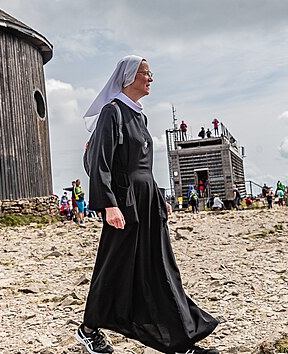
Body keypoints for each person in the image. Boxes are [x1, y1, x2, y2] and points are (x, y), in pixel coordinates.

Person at [79, 55, 218, 354]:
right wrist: (108, 205)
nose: (151, 78)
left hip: (147, 200)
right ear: (129, 77)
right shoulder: (112, 112)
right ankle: (89, 329)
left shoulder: (140, 116)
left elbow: (144, 166)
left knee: (160, 267)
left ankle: (182, 341)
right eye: (146, 73)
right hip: (125, 203)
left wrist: (159, 197)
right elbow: (101, 162)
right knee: (114, 266)